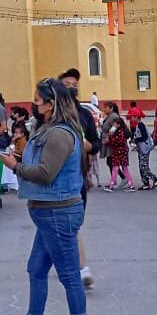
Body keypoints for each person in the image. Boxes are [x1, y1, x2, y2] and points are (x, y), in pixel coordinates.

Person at [0, 78, 93, 315]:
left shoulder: (60, 134)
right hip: (48, 214)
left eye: (38, 101)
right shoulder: (50, 131)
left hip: (58, 213)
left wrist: (15, 166)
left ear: (51, 104)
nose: (34, 105)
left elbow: (45, 173)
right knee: (36, 270)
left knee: (69, 276)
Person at [59, 68, 101, 291]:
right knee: (64, 226)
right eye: (66, 83)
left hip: (78, 177)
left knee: (69, 226)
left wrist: (89, 147)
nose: (71, 87)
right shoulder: (50, 115)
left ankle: (76, 267)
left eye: (74, 83)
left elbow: (96, 143)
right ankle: (80, 268)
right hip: (54, 180)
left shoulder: (84, 114)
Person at [100, 102, 135, 191]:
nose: (104, 109)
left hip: (118, 150)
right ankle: (124, 182)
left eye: (106, 107)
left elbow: (118, 140)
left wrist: (109, 138)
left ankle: (115, 183)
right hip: (117, 150)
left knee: (114, 165)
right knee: (118, 166)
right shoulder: (111, 117)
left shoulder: (115, 119)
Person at [131, 117, 157, 189]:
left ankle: (154, 179)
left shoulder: (140, 125)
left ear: (137, 118)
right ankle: (145, 183)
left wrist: (136, 140)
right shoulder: (138, 125)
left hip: (144, 148)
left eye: (133, 117)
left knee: (143, 166)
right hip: (142, 148)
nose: (132, 119)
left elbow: (144, 136)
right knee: (141, 166)